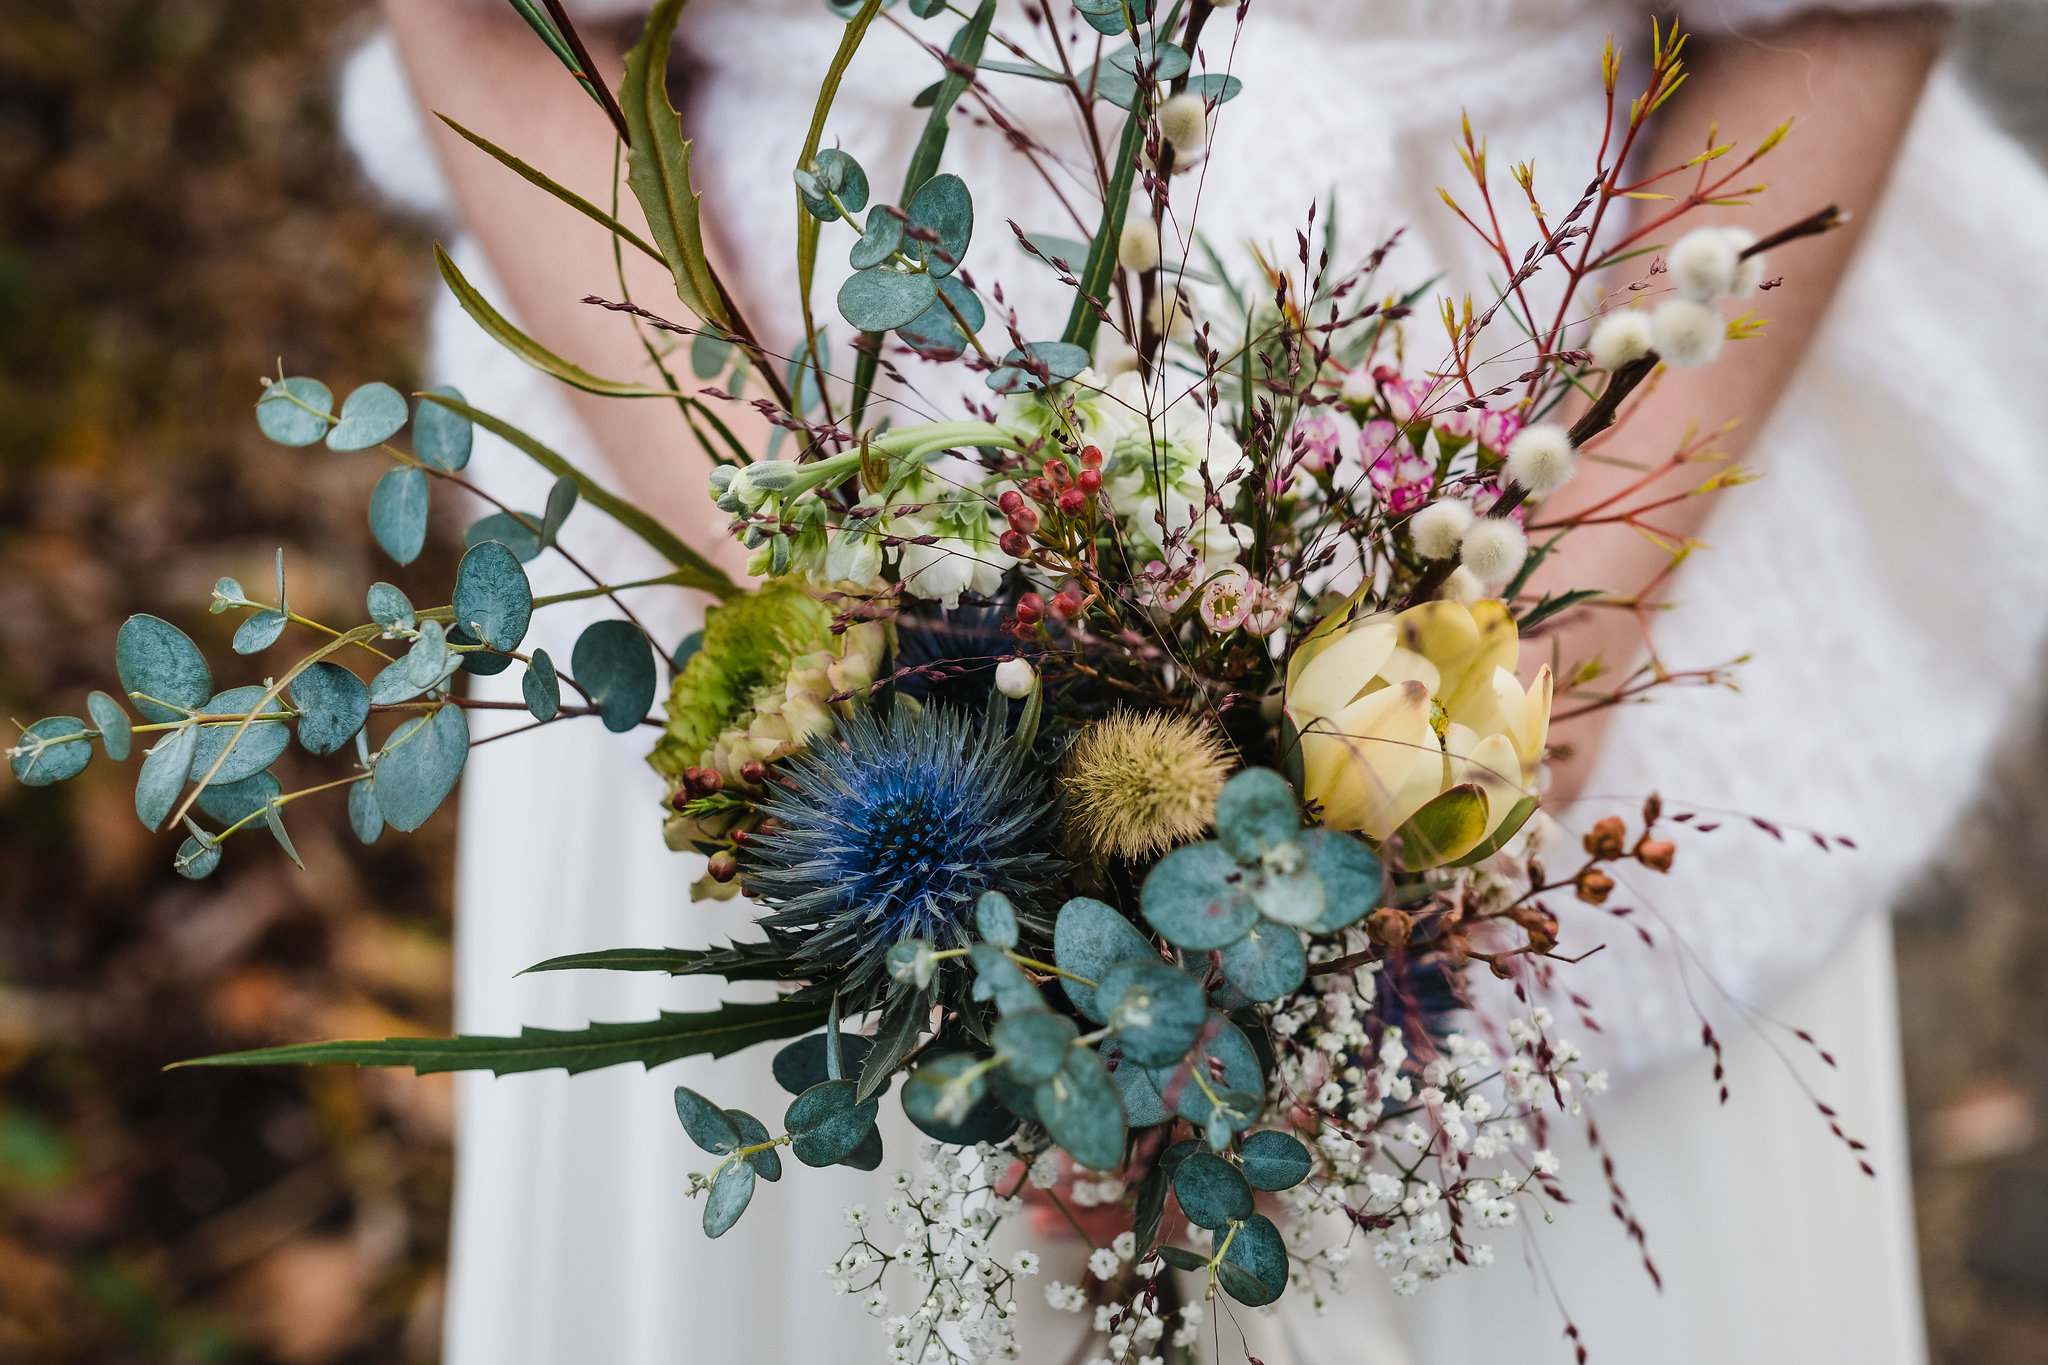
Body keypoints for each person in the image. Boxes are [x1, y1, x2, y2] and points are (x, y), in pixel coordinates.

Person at [339, 0, 2048, 1360]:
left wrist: (1516, 665)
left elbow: (1850, 18)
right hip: (731, 457)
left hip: (1546, 454)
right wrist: (825, 622)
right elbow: (493, 22)